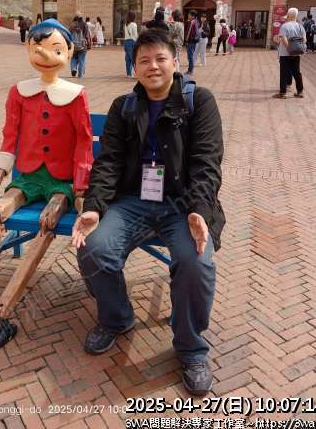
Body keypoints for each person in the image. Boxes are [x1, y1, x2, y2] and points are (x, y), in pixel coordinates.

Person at [72, 28, 225, 396]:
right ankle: (116, 318)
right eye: (144, 60)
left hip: (183, 205)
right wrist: (94, 207)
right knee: (93, 246)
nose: (153, 66)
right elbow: (108, 162)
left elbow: (207, 163)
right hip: (133, 202)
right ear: (135, 66)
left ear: (176, 61)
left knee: (195, 262)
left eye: (160, 58)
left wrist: (199, 210)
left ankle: (190, 347)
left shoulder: (199, 101)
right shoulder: (123, 107)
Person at [0, 19, 93, 360]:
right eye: (37, 47)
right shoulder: (19, 92)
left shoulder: (75, 96)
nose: (45, 54)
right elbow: (9, 137)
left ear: (69, 52)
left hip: (60, 181)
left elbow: (84, 144)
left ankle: (3, 316)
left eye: (56, 49)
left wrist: (81, 188)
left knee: (46, 222)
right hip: (26, 177)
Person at [272, 7, 306, 99]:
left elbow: (284, 39)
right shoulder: (300, 26)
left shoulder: (285, 26)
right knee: (297, 72)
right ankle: (300, 92)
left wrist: (290, 50)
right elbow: (304, 40)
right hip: (297, 53)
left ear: (289, 15)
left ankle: (283, 93)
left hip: (285, 54)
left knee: (284, 72)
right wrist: (297, 49)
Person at [70, 12, 92, 78]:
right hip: (83, 45)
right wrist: (89, 45)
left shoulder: (72, 24)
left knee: (74, 58)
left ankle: (73, 68)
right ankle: (80, 74)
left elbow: (68, 34)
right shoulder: (84, 24)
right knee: (82, 60)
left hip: (74, 45)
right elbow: (87, 35)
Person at [184, 10, 200, 75]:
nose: (188, 16)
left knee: (190, 56)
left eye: (189, 15)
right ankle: (190, 69)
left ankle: (190, 70)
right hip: (192, 41)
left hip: (191, 41)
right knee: (190, 56)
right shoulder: (194, 22)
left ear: (193, 16)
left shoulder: (192, 23)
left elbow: (191, 32)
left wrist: (187, 40)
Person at [124, 11, 138, 77]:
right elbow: (135, 35)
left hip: (126, 42)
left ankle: (129, 73)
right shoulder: (134, 24)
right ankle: (137, 72)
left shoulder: (126, 24)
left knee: (128, 58)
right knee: (133, 58)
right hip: (132, 42)